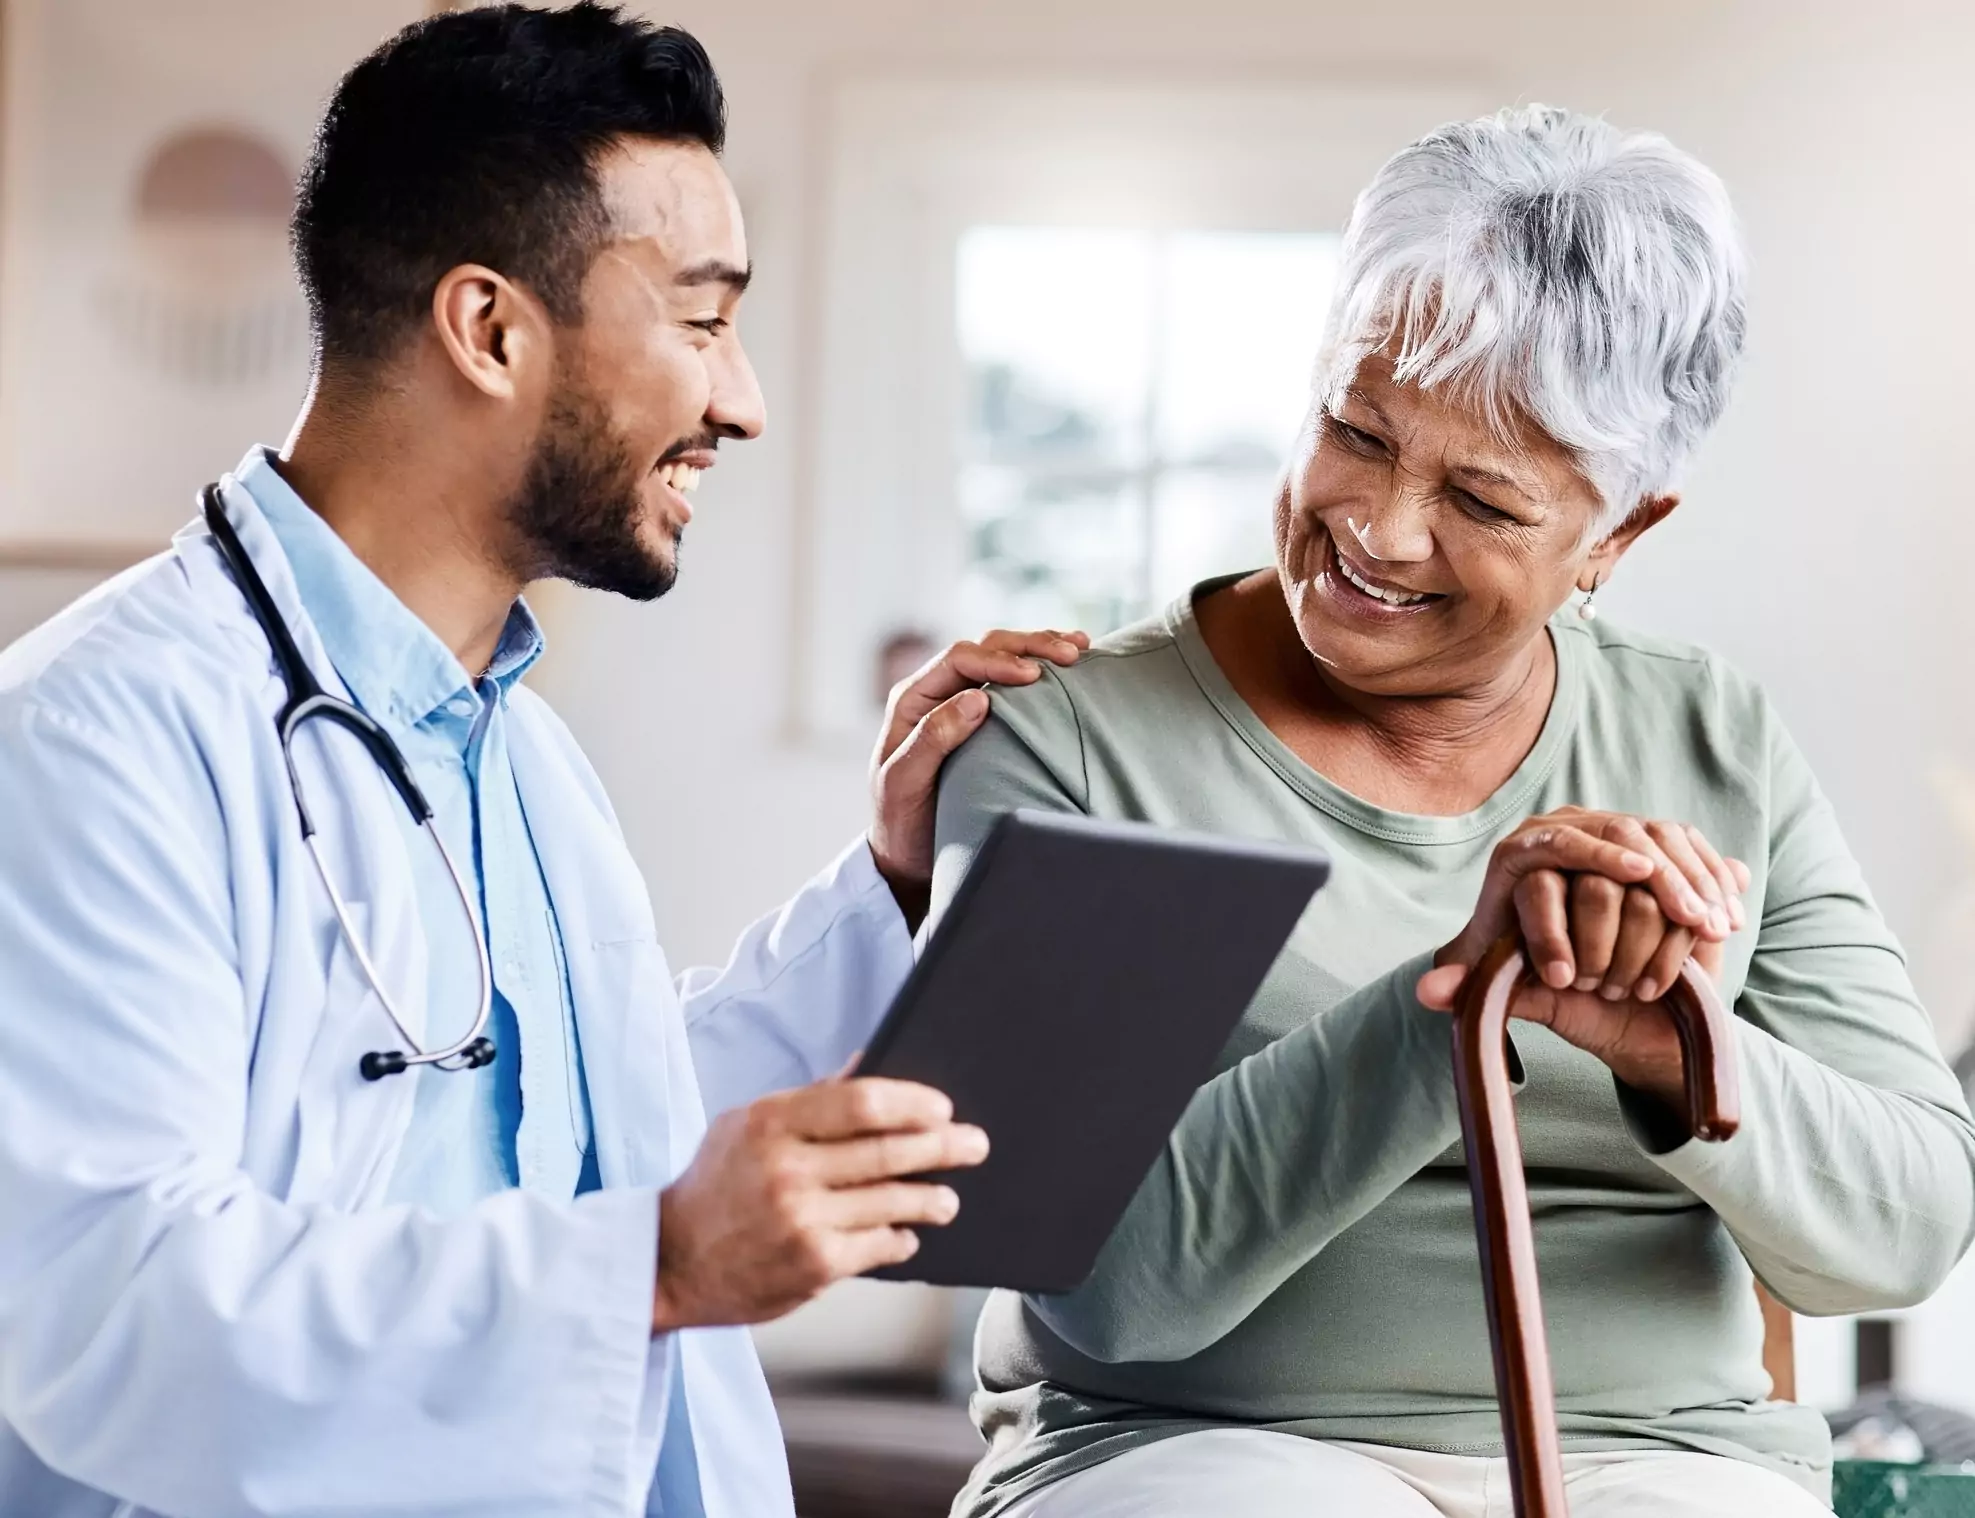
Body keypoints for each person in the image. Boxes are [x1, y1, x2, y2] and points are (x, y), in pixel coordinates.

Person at [0, 7, 1087, 1516]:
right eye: (702, 321)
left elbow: (602, 1128)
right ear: (490, 328)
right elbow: (104, 1308)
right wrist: (653, 1262)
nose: (743, 400)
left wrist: (895, 883)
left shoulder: (517, 744)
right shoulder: (91, 740)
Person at [930, 105, 1975, 1517]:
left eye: (1481, 499)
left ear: (1616, 531)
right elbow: (1102, 1287)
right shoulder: (1074, 738)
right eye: (1353, 429)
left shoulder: (1706, 734)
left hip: (1659, 1458)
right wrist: (1451, 1001)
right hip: (1186, 1450)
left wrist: (1678, 1046)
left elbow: (1906, 1225)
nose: (1379, 527)